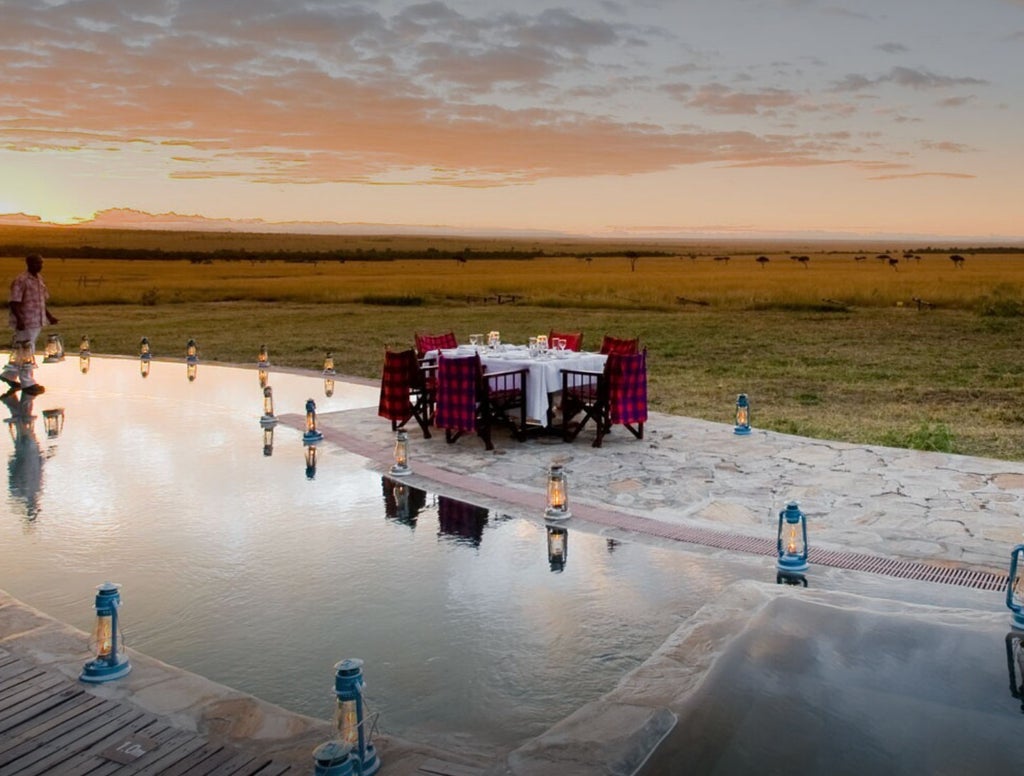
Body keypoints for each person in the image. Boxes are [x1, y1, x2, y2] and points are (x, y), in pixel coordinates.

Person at [2, 254, 58, 395]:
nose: (39, 266)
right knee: (27, 351)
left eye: (41, 263)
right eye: (36, 263)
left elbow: (41, 302)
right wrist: (20, 320)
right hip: (26, 321)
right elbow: (14, 302)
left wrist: (49, 316)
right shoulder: (21, 280)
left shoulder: (39, 279)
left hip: (36, 320)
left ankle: (8, 375)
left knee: (22, 350)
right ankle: (28, 383)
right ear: (28, 264)